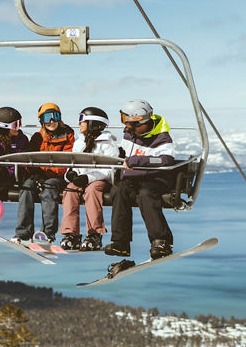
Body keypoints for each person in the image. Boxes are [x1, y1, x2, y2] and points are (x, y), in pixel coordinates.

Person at [104, 99, 176, 259]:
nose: (126, 126)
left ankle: (161, 241)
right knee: (119, 189)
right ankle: (120, 243)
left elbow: (165, 160)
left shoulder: (161, 137)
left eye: (129, 123)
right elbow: (124, 153)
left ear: (141, 122)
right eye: (124, 121)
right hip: (134, 179)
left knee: (146, 194)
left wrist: (138, 161)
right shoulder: (129, 135)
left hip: (157, 179)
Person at [11, 103, 74, 243]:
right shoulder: (37, 137)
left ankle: (48, 233)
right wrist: (35, 173)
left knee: (49, 189)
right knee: (26, 187)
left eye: (55, 116)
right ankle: (23, 232)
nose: (51, 121)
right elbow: (29, 159)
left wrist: (44, 171)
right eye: (47, 118)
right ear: (41, 120)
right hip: (39, 175)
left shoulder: (68, 135)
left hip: (57, 177)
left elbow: (66, 161)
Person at [60, 107, 118, 251]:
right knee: (70, 189)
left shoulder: (108, 143)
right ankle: (70, 233)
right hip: (82, 179)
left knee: (92, 190)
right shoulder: (80, 142)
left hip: (101, 180)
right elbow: (72, 163)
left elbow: (109, 170)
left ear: (93, 123)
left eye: (82, 120)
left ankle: (95, 233)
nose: (79, 123)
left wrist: (88, 178)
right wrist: (71, 174)